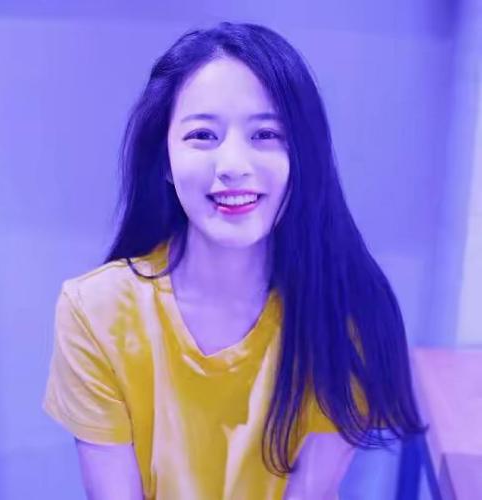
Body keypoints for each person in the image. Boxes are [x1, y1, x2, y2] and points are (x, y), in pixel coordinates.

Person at [42, 21, 428, 500]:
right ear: (165, 160)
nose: (232, 166)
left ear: (302, 157)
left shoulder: (343, 316)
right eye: (202, 135)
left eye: (265, 134)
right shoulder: (94, 312)